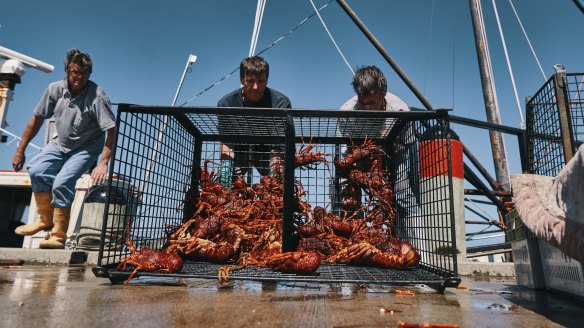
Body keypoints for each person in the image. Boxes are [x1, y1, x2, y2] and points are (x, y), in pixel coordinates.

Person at [12, 49, 116, 249]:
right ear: (67, 71)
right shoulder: (54, 89)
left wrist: (103, 163)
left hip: (86, 147)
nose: (79, 77)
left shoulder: (97, 96)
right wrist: (20, 150)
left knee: (62, 182)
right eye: (75, 72)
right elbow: (37, 119)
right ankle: (45, 219)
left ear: (89, 74)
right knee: (36, 170)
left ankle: (58, 236)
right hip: (61, 143)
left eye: (84, 73)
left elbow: (111, 131)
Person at [339, 65, 419, 219]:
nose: (367, 108)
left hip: (392, 158)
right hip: (357, 160)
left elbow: (405, 146)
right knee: (346, 198)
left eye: (372, 103)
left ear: (383, 94)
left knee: (404, 197)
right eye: (363, 103)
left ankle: (417, 240)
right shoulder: (347, 111)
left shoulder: (400, 110)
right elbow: (346, 150)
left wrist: (390, 143)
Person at [217, 56, 291, 186]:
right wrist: (225, 169)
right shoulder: (226, 103)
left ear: (267, 80)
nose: (256, 87)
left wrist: (276, 175)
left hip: (268, 150)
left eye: (261, 81)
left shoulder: (281, 103)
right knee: (225, 185)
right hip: (239, 150)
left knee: (278, 184)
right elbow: (227, 143)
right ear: (242, 79)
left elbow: (277, 146)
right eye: (250, 81)